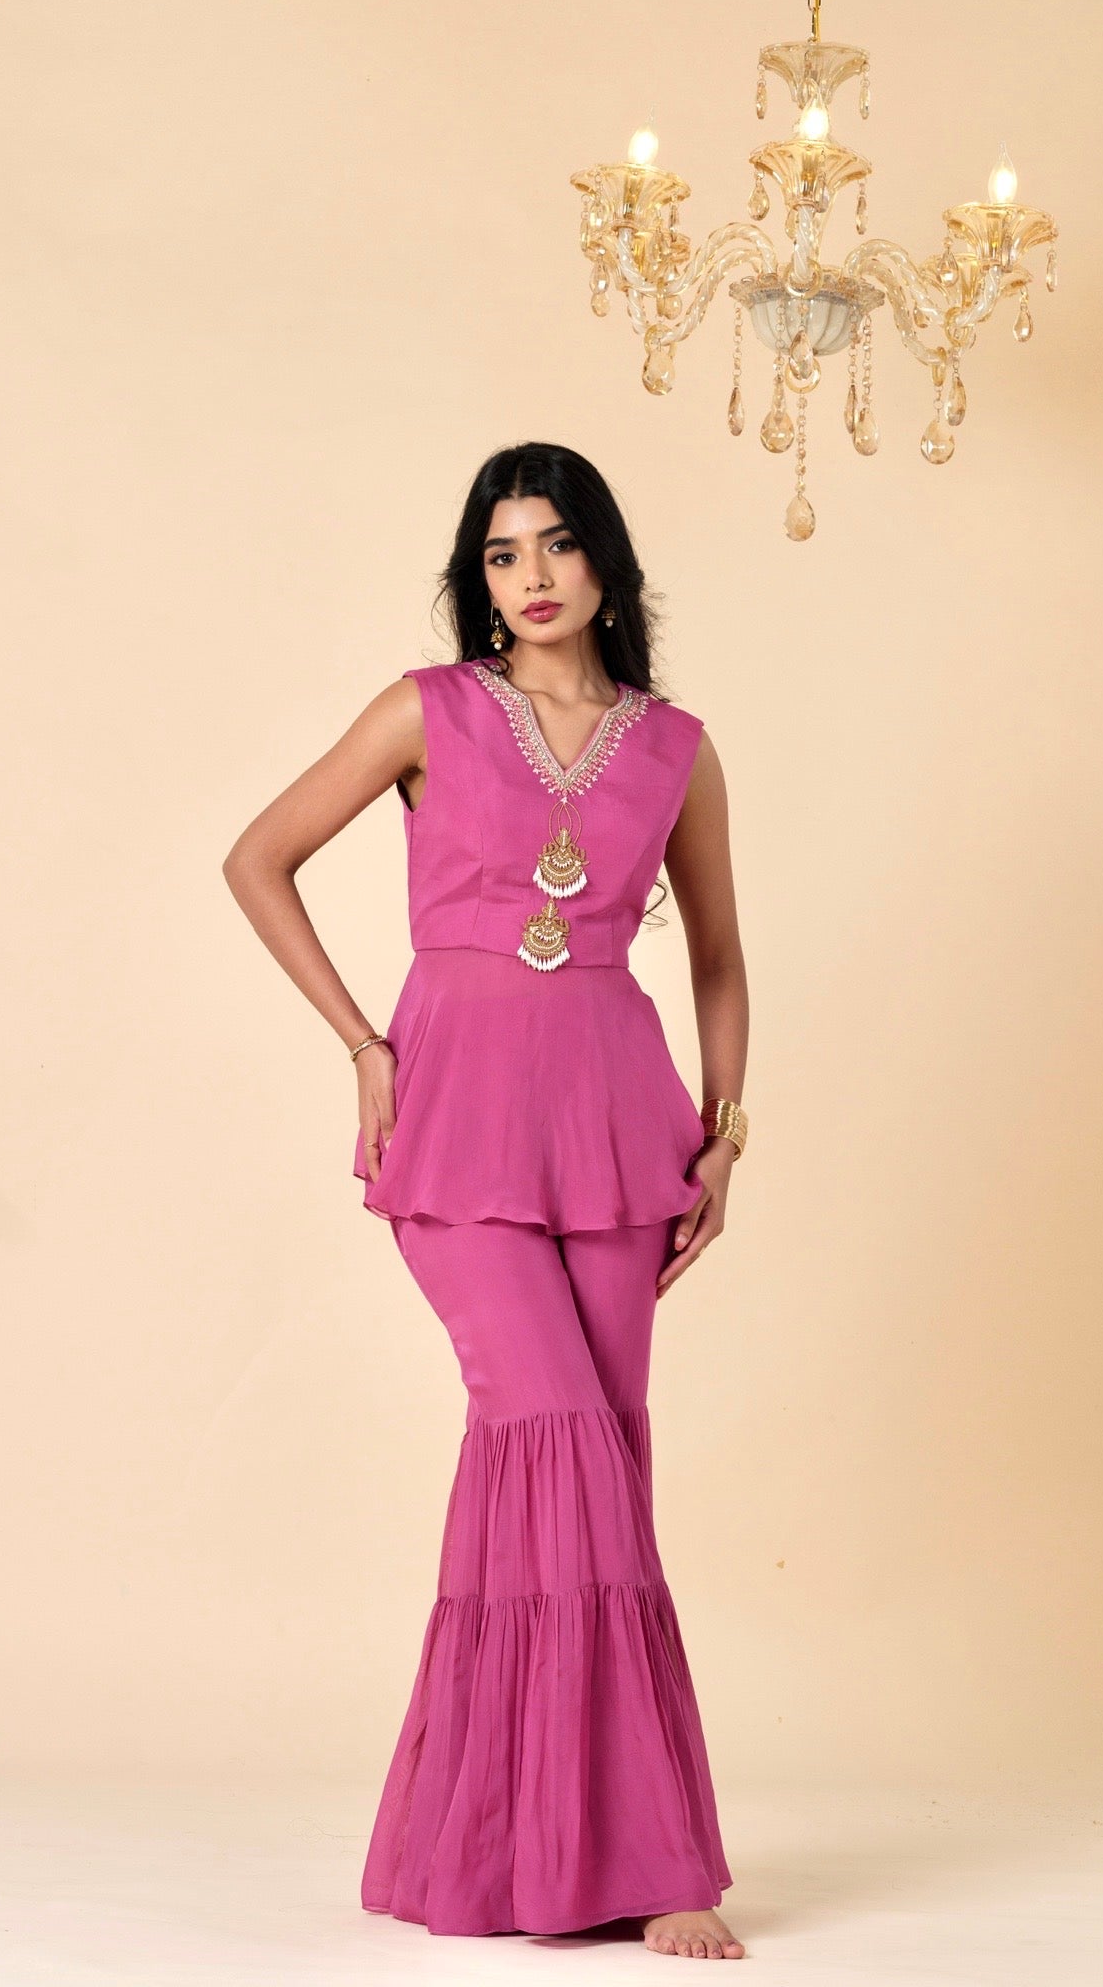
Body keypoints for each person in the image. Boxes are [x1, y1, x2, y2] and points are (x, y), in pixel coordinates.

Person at [224, 441, 749, 1961]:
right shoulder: (428, 711)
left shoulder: (677, 749)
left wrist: (724, 1133)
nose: (531, 574)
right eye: (504, 550)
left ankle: (542, 1853)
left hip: (614, 1128)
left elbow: (717, 954)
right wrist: (362, 1044)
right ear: (481, 576)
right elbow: (258, 859)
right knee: (555, 1438)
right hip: (456, 1126)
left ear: (604, 569)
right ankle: (642, 1857)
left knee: (603, 1463)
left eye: (558, 545)